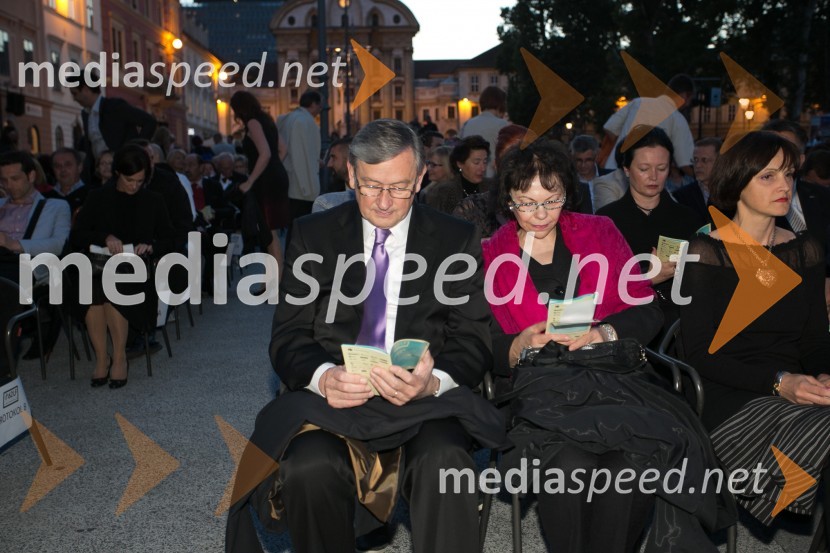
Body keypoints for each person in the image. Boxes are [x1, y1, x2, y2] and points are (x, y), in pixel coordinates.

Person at [226, 119, 505, 553]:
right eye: (371, 185)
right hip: (337, 400)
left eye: (398, 187)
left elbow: (473, 339)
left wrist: (433, 382)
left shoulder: (455, 240)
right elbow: (289, 336)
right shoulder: (312, 235)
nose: (384, 201)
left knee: (444, 463)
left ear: (420, 178)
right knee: (308, 466)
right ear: (351, 174)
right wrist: (323, 377)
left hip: (424, 404)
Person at [483, 138, 730, 553]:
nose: (540, 214)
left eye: (552, 200)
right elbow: (482, 343)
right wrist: (518, 344)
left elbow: (647, 309)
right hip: (542, 395)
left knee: (629, 465)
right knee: (568, 464)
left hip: (613, 383)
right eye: (526, 203)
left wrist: (604, 333)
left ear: (568, 192)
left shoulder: (599, 232)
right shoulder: (490, 254)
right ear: (508, 199)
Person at [679, 130, 830, 525]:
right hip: (729, 396)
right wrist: (781, 382)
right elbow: (699, 355)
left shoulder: (806, 251)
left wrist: (823, 376)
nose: (784, 186)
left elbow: (815, 340)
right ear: (737, 184)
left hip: (795, 386)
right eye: (768, 176)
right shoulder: (706, 254)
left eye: (789, 174)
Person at [69, 145, 175, 389]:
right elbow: (77, 236)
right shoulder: (98, 197)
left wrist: (150, 246)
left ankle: (118, 358)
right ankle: (101, 358)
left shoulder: (153, 200)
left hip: (137, 272)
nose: (134, 186)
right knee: (94, 285)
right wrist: (105, 237)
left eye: (139, 180)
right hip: (98, 265)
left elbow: (174, 239)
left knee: (111, 283)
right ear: (117, 173)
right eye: (129, 180)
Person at [596, 126, 703, 337]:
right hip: (625, 326)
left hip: (681, 327)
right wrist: (647, 278)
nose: (653, 176)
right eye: (644, 169)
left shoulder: (689, 218)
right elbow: (597, 288)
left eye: (661, 168)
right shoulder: (605, 220)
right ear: (626, 169)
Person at [0, 151, 71, 378]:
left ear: (31, 176)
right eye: (4, 180)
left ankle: (3, 371)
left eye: (15, 178)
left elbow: (59, 244)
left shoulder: (56, 206)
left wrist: (15, 244)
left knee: (6, 288)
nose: (9, 185)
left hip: (27, 265)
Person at [229, 90, 289, 273]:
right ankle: (272, 278)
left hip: (265, 181)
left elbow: (265, 153)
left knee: (269, 232)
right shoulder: (267, 121)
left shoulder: (253, 123)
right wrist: (273, 167)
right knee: (271, 231)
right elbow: (283, 150)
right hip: (276, 176)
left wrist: (250, 181)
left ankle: (276, 280)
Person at [67, 69, 157, 183]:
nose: (74, 98)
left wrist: (134, 151)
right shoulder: (85, 114)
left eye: (75, 93)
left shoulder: (114, 106)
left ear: (85, 89)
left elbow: (149, 122)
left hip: (122, 171)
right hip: (101, 175)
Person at [601, 74, 695, 179]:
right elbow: (684, 163)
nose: (687, 105)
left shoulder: (638, 102)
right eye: (690, 100)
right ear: (686, 96)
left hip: (612, 170)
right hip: (642, 180)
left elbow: (610, 129)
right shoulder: (677, 119)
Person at [279, 90, 323, 219]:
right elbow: (301, 156)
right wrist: (307, 188)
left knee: (294, 225)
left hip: (291, 180)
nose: (320, 110)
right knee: (300, 225)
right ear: (314, 104)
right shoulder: (303, 122)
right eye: (320, 106)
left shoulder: (290, 118)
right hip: (301, 185)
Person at [422, 135, 490, 215]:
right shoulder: (443, 193)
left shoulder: (492, 188)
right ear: (460, 164)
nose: (483, 168)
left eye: (485, 162)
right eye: (476, 162)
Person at [460, 86, 509, 178]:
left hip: (469, 175)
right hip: (491, 176)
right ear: (500, 104)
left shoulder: (467, 124)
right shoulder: (502, 124)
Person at [674, 137, 722, 223]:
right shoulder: (681, 196)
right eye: (695, 160)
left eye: (704, 160)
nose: (698, 165)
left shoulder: (733, 195)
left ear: (720, 162)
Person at [312, 137, 355, 213]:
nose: (329, 164)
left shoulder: (325, 202)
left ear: (350, 160)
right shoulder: (332, 190)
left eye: (333, 157)